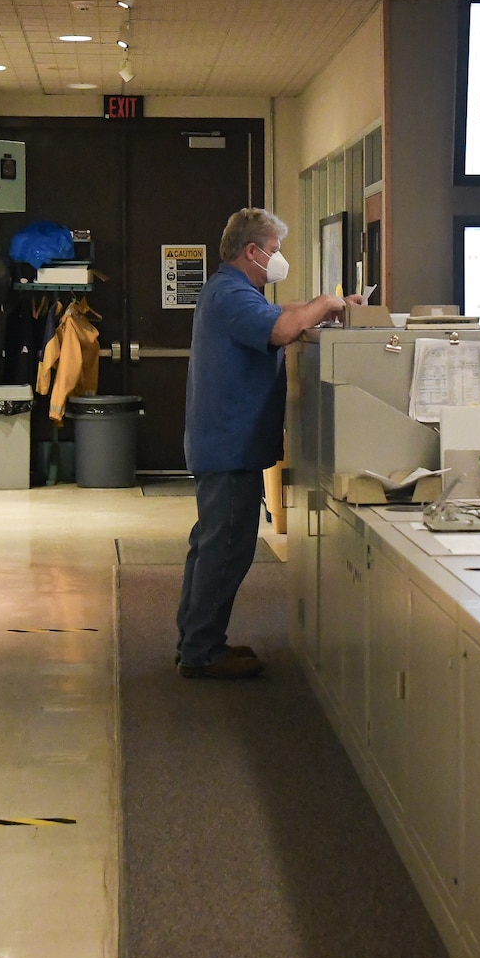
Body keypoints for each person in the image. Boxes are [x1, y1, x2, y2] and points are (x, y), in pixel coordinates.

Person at [176, 208, 358, 679]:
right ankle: (201, 652)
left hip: (225, 442)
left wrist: (322, 309)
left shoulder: (231, 291)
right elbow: (280, 329)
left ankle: (196, 641)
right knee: (227, 548)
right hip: (229, 445)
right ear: (252, 251)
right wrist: (324, 302)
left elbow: (279, 315)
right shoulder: (231, 296)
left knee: (212, 545)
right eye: (274, 251)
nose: (278, 259)